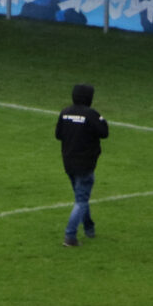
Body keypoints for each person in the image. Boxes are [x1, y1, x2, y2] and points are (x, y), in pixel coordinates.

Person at [55, 82, 108, 248]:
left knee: (80, 197)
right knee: (81, 200)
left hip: (68, 162)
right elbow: (104, 132)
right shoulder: (91, 114)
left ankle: (89, 227)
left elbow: (58, 135)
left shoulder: (65, 113)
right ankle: (70, 236)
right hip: (85, 164)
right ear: (89, 98)